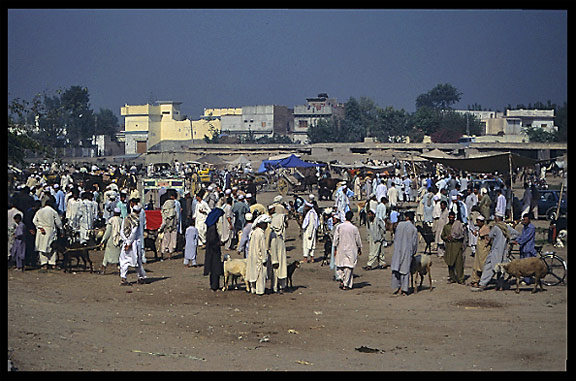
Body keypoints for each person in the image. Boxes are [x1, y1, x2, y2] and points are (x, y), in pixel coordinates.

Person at [390, 211, 418, 296]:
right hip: (407, 251)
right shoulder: (413, 229)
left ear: (407, 217)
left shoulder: (400, 225)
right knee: (405, 271)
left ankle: (398, 287)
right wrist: (413, 253)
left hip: (398, 250)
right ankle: (404, 289)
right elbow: (414, 243)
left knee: (397, 268)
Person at [333, 211, 362, 290]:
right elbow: (358, 239)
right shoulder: (354, 228)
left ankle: (343, 280)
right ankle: (346, 283)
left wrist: (335, 247)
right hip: (351, 249)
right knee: (348, 267)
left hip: (341, 248)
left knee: (340, 265)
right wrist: (359, 248)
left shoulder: (340, 227)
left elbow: (335, 238)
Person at [33, 197, 63, 271]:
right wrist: (61, 230)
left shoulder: (39, 211)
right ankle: (52, 263)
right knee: (52, 247)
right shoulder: (53, 212)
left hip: (41, 231)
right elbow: (59, 223)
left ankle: (44, 264)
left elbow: (34, 221)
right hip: (50, 230)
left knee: (41, 247)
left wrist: (40, 227)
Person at [119, 205, 146, 285]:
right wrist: (129, 243)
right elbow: (133, 233)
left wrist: (125, 241)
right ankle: (140, 277)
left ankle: (123, 278)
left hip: (126, 242)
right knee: (137, 261)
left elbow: (122, 231)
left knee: (124, 261)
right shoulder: (136, 221)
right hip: (133, 244)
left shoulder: (126, 218)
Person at [247, 214, 271, 295]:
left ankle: (253, 289)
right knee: (260, 275)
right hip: (259, 257)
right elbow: (263, 248)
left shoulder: (253, 232)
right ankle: (260, 290)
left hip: (252, 256)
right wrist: (264, 258)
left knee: (253, 272)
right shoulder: (261, 234)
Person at [441, 211, 466, 284]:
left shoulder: (458, 225)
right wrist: (446, 237)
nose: (451, 218)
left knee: (459, 264)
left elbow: (462, 235)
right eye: (450, 217)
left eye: (453, 217)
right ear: (448, 217)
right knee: (450, 263)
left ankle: (460, 279)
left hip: (457, 246)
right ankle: (452, 277)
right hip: (449, 246)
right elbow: (442, 236)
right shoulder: (446, 226)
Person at [512, 213, 537, 285]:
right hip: (523, 248)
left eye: (526, 219)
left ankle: (527, 280)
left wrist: (519, 242)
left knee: (528, 265)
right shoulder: (524, 227)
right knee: (522, 264)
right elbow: (521, 236)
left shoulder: (531, 228)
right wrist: (516, 240)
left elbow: (526, 238)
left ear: (529, 220)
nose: (524, 221)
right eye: (524, 219)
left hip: (528, 248)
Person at [203, 208, 225, 291]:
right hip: (214, 252)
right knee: (215, 268)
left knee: (213, 269)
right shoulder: (212, 228)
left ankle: (214, 285)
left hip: (210, 251)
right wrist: (218, 244)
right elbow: (212, 240)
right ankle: (215, 286)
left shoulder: (210, 226)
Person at [268, 204, 288, 294]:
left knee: (282, 272)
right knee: (275, 273)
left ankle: (282, 286)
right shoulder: (273, 235)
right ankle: (275, 287)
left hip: (282, 256)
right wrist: (275, 260)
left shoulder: (280, 235)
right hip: (276, 259)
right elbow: (273, 248)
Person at [468, 215, 491, 287]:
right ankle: (475, 280)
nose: (477, 223)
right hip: (479, 251)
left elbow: (488, 239)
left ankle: (482, 281)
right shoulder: (480, 229)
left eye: (478, 222)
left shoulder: (486, 229)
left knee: (482, 266)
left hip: (484, 251)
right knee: (476, 265)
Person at [100, 207, 122, 275]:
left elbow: (108, 232)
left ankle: (103, 269)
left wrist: (103, 240)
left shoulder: (111, 220)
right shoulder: (122, 220)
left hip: (111, 240)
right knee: (119, 256)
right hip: (119, 240)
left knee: (106, 256)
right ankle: (119, 270)